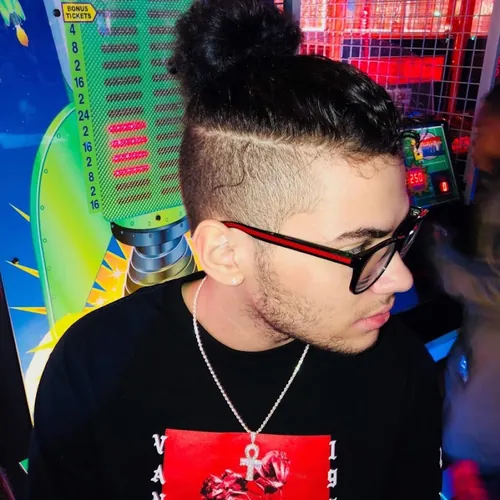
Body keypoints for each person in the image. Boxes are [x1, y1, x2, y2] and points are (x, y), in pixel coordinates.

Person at [28, 1, 442, 499]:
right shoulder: (94, 366)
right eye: (359, 249)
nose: (401, 278)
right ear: (225, 254)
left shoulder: (401, 373)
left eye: (397, 235)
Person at [434, 85, 500, 499]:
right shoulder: (492, 194)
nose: (475, 136)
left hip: (485, 416)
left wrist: (440, 259)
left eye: (483, 126)